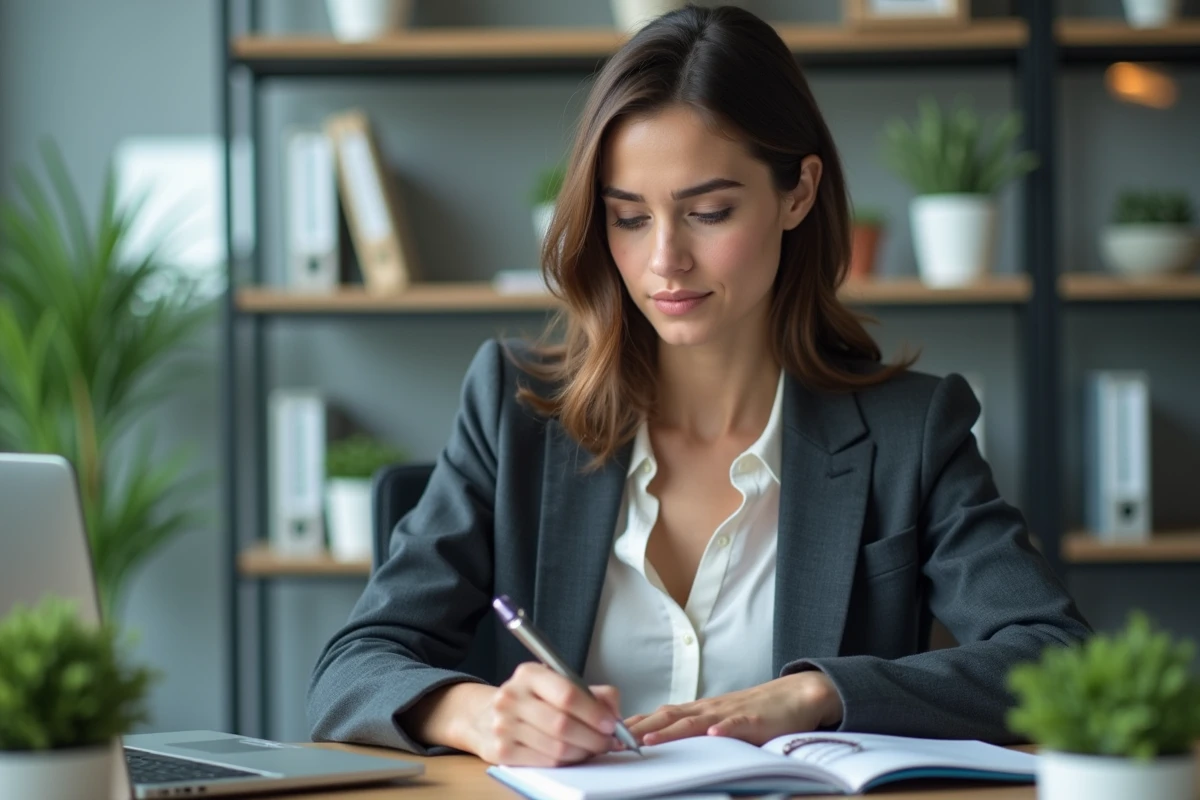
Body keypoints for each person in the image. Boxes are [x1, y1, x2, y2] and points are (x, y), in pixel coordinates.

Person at [307, 4, 1090, 768]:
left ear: (798, 192)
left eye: (708, 212)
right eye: (628, 218)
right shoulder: (514, 409)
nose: (664, 261)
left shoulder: (909, 430)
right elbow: (354, 667)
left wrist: (818, 692)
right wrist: (481, 714)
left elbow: (1056, 657)